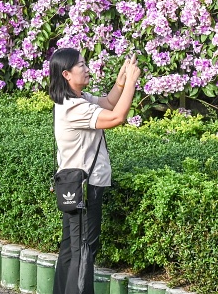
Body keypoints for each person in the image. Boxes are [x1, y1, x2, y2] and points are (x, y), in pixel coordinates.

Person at [49, 49, 140, 294]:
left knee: (71, 248)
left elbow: (109, 103)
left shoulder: (74, 99)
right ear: (66, 74)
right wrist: (132, 82)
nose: (87, 68)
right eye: (81, 65)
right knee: (83, 250)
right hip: (84, 188)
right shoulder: (74, 108)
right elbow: (117, 116)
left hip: (76, 186)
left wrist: (121, 82)